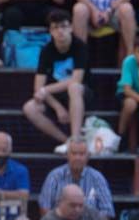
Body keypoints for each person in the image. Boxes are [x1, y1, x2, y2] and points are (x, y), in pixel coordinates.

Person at [23, 9, 91, 148]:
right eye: (55, 28)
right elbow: (38, 87)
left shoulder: (80, 47)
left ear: (71, 28)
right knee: (29, 107)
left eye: (64, 26)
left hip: (81, 93)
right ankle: (66, 141)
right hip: (56, 97)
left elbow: (76, 80)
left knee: (74, 87)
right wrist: (57, 107)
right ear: (50, 31)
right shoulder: (47, 50)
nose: (60, 31)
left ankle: (76, 137)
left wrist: (46, 89)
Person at [39, 137, 114, 218]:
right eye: (74, 153)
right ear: (67, 155)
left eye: (81, 154)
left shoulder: (97, 178)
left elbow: (107, 211)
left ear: (88, 155)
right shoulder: (54, 176)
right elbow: (45, 208)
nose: (77, 158)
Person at [72, 0, 137, 57]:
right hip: (88, 8)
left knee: (127, 9)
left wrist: (108, 11)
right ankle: (80, 57)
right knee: (79, 9)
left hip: (114, 10)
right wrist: (93, 9)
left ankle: (130, 56)